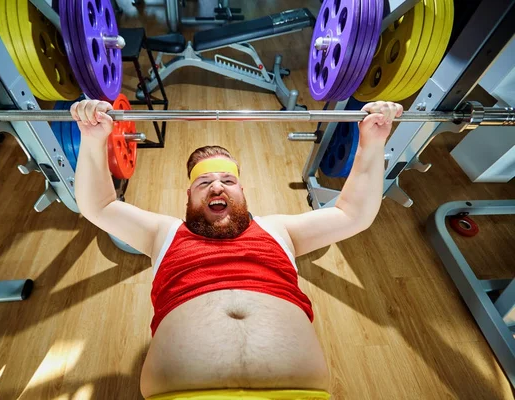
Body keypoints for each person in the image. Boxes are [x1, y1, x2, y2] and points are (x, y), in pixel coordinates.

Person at [70, 99, 403, 400]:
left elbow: (352, 214)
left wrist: (373, 142)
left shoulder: (278, 229)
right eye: (204, 183)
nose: (217, 186)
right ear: (188, 197)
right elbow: (98, 205)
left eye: (227, 182)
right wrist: (93, 137)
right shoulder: (164, 233)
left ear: (242, 193)